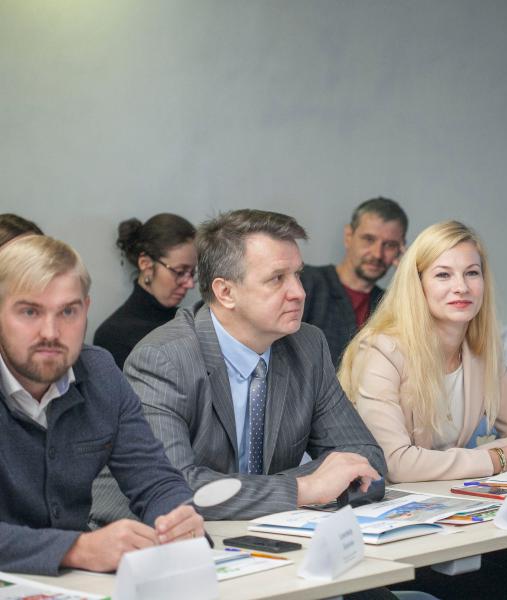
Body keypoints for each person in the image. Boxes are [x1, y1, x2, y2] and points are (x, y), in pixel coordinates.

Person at [91, 209, 386, 525]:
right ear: (225, 292)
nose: (299, 293)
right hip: (148, 538)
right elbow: (173, 489)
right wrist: (304, 488)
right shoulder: (164, 358)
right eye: (277, 278)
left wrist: (265, 492)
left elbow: (365, 456)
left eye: (297, 275)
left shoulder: (307, 345)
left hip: (256, 532)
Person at [339, 220, 507, 600]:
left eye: (471, 273)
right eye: (443, 274)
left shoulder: (481, 354)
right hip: (392, 533)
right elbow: (396, 463)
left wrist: (488, 456)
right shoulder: (382, 351)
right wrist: (495, 458)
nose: (461, 287)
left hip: (451, 516)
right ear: (418, 284)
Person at [0, 235, 203, 576]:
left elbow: (155, 480)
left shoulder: (99, 372)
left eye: (68, 311)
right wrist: (75, 549)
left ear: (86, 308)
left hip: (75, 585)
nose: (50, 332)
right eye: (30, 311)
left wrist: (178, 518)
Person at [301, 197, 407, 365]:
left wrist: (409, 273)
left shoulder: (392, 305)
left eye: (390, 245)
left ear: (400, 250)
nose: (377, 254)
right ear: (348, 236)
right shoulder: (304, 282)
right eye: (369, 239)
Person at [94, 214, 197, 368]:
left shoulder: (192, 322)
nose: (190, 284)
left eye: (192, 273)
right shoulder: (113, 336)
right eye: (180, 272)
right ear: (146, 264)